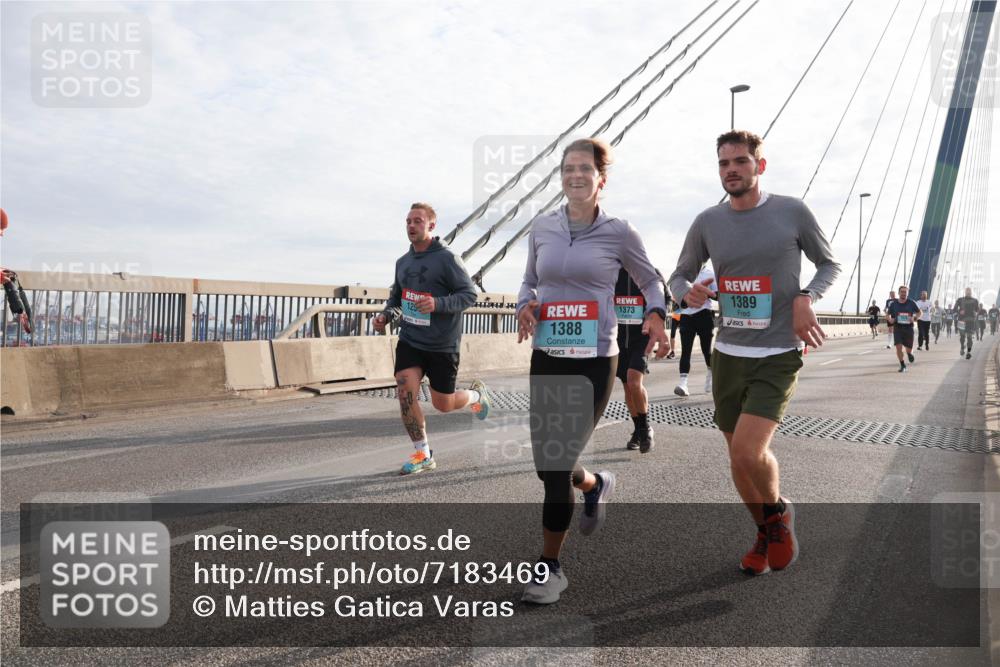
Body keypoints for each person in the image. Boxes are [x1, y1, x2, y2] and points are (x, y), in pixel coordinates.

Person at [668, 130, 841, 576]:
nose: (732, 170)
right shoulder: (708, 221)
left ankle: (778, 513)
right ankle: (766, 530)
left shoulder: (791, 212)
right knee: (738, 461)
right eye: (724, 164)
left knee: (748, 452)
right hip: (728, 352)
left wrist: (806, 296)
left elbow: (829, 264)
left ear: (759, 166)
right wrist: (688, 293)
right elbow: (679, 275)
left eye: (741, 162)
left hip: (779, 351)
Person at [516, 138, 669, 604]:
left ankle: (550, 567)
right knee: (549, 469)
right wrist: (525, 304)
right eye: (567, 168)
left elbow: (650, 279)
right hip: (547, 355)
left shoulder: (620, 232)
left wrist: (658, 313)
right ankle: (596, 483)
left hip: (595, 359)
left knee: (557, 460)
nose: (575, 175)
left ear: (602, 178)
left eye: (585, 168)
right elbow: (528, 280)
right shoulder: (541, 228)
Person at [374, 202, 492, 475]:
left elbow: (469, 294)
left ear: (431, 225)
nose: (411, 226)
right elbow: (397, 299)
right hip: (411, 339)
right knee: (405, 392)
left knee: (443, 404)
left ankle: (477, 395)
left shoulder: (447, 258)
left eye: (417, 221)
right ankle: (422, 453)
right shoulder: (402, 263)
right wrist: (385, 316)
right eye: (408, 221)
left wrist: (437, 304)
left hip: (442, 343)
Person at [615, 267, 664, 453]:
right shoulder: (611, 271)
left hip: (642, 337)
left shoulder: (649, 271)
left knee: (634, 381)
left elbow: (664, 299)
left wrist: (653, 318)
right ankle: (638, 429)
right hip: (618, 338)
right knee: (628, 386)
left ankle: (645, 429)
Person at [674, 264, 717, 397]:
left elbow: (717, 295)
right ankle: (683, 383)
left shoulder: (710, 273)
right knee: (686, 351)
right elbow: (676, 293)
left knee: (706, 351)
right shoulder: (683, 273)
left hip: (704, 314)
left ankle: (711, 373)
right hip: (686, 315)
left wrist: (705, 293)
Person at [885, 286, 921, 372]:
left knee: (908, 349)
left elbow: (920, 312)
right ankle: (902, 365)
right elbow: (887, 314)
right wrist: (890, 319)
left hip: (908, 328)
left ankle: (909, 353)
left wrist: (915, 318)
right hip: (898, 328)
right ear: (899, 293)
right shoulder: (894, 304)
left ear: (907, 293)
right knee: (898, 347)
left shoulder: (911, 303)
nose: (903, 293)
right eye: (902, 292)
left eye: (905, 292)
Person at [954, 287, 979, 359]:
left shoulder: (975, 300)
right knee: (962, 337)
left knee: (969, 337)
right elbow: (954, 309)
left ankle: (968, 352)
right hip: (961, 321)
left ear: (971, 292)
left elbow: (977, 310)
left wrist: (976, 312)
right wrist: (959, 311)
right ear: (965, 292)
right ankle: (962, 347)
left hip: (971, 321)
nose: (968, 292)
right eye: (967, 291)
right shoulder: (960, 300)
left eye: (969, 291)